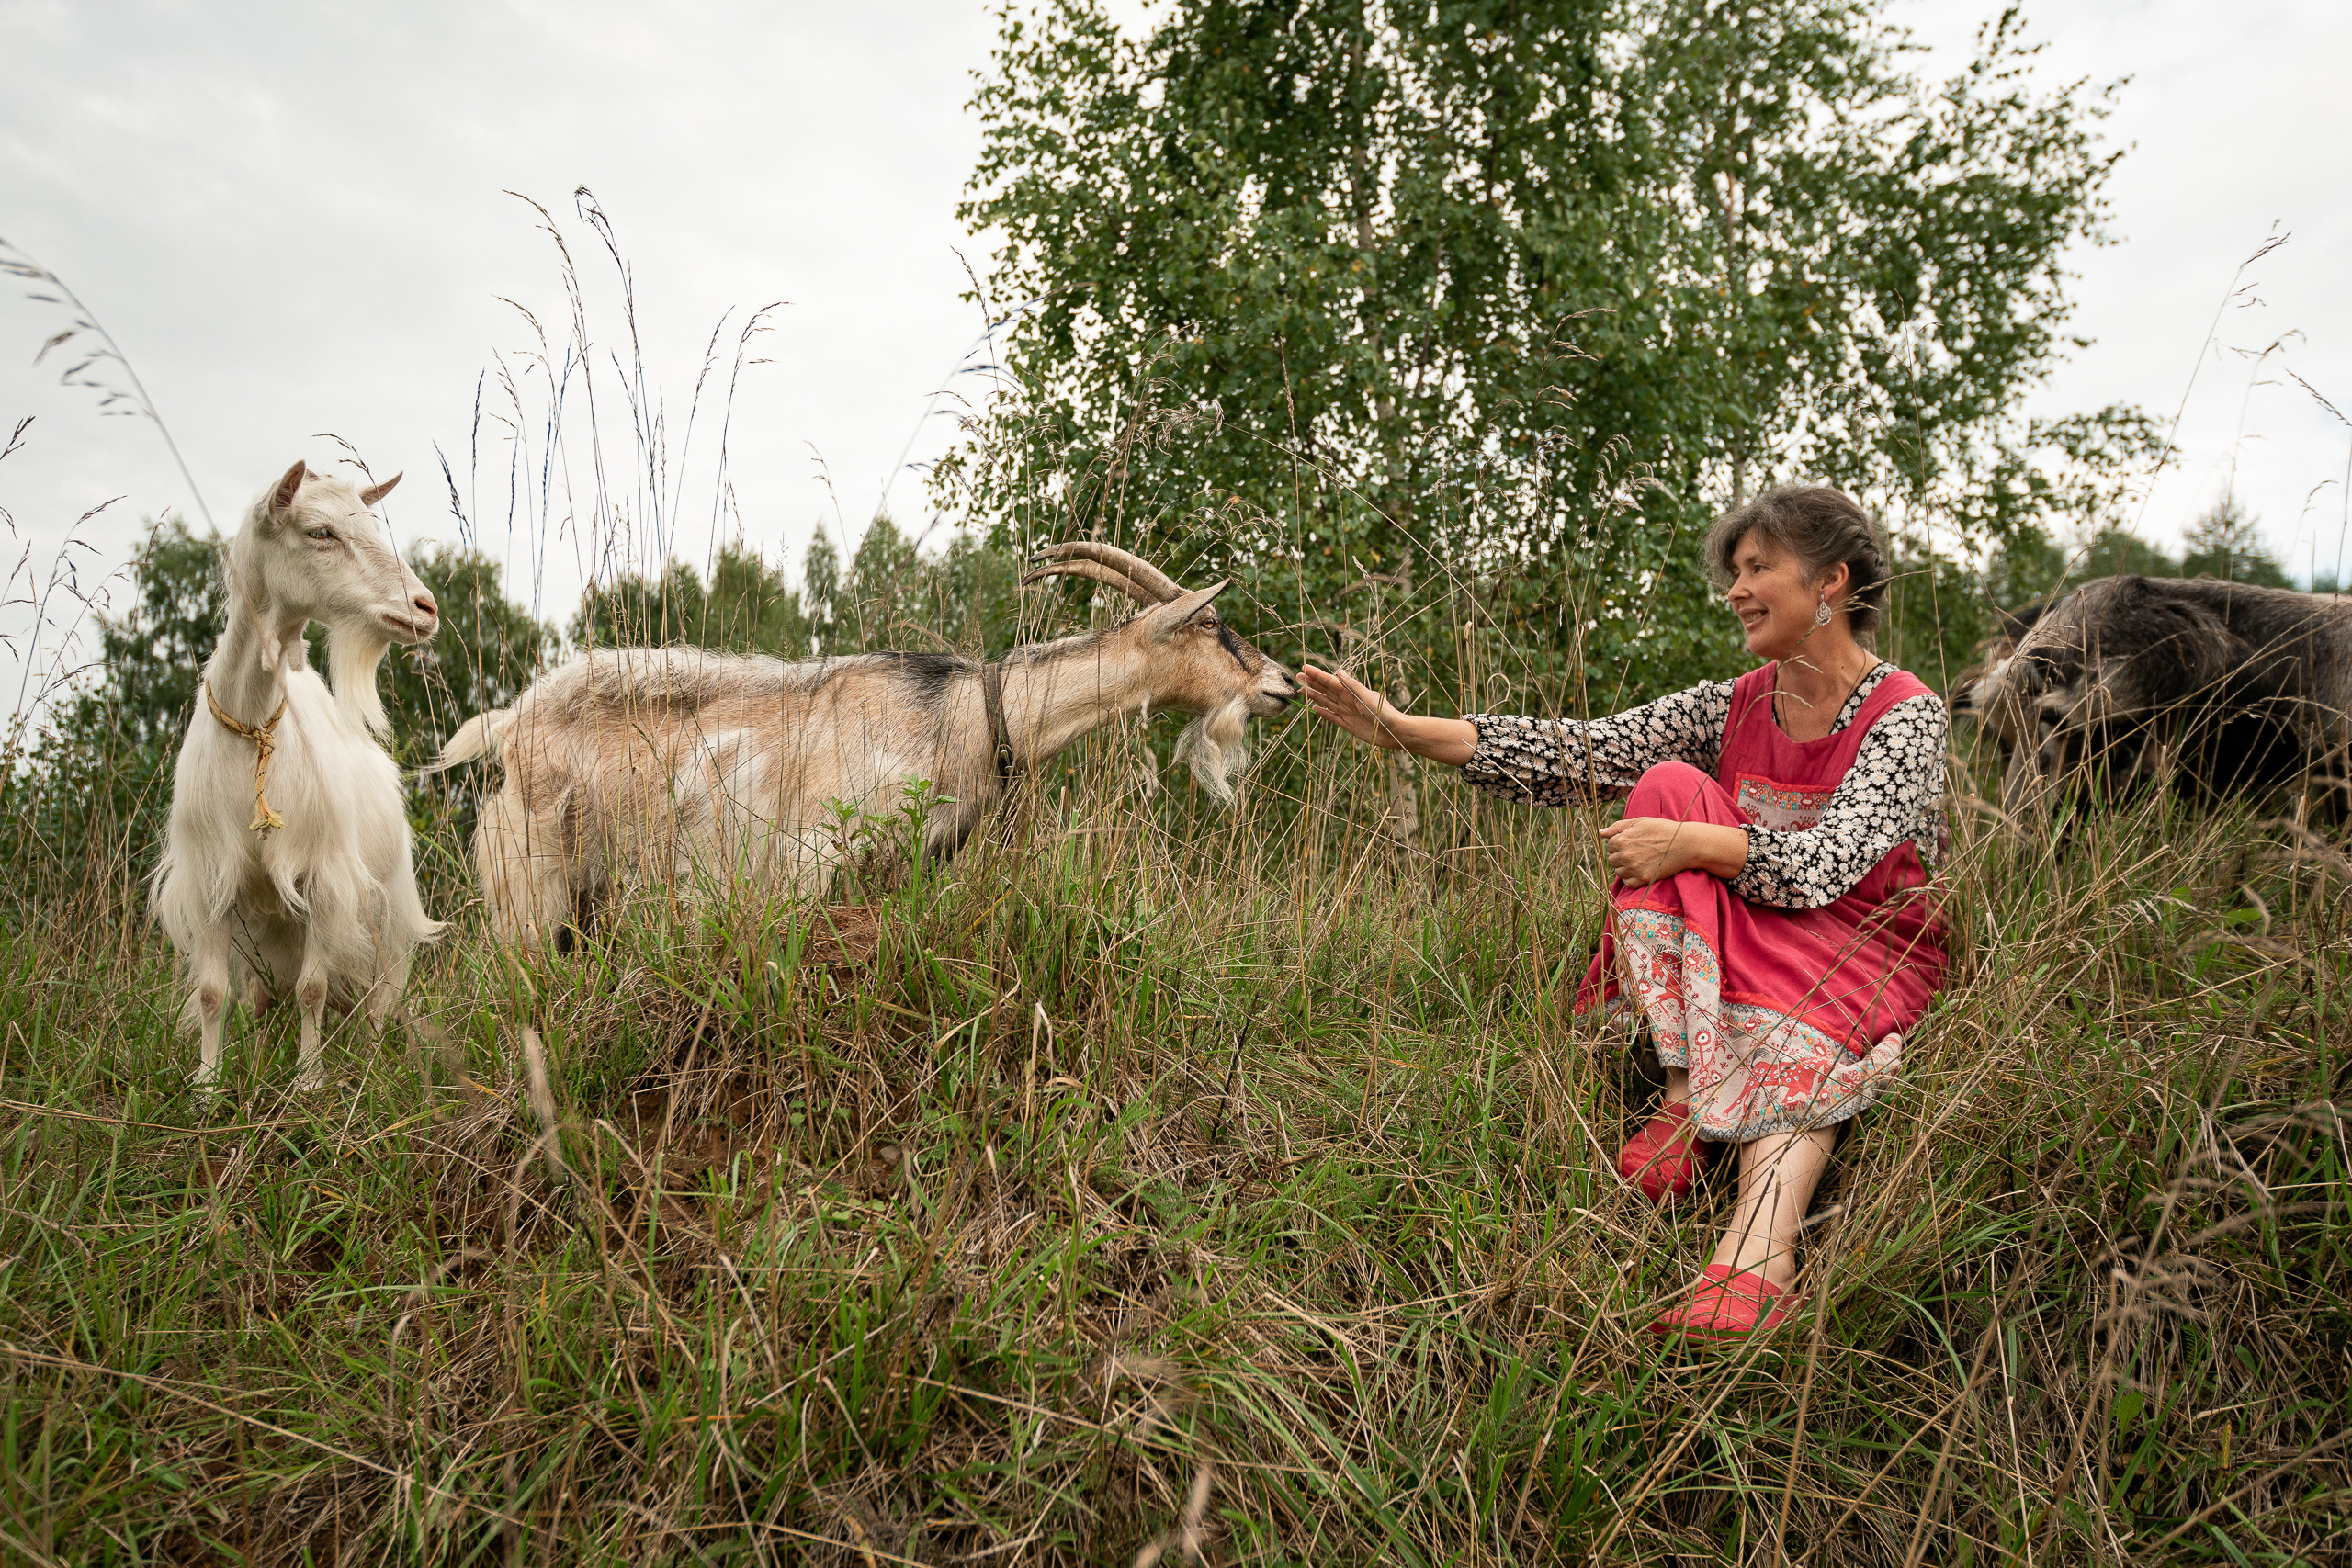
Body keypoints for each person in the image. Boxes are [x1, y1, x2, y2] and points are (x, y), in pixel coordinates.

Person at [1299, 487, 1949, 1339]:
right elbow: (1579, 751)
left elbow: (1827, 869)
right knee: (1664, 783)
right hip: (1756, 920)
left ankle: (1758, 1256)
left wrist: (1695, 844)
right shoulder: (1734, 701)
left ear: (1830, 581)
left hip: (1859, 938)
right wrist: (1400, 730)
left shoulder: (1907, 714)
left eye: (1759, 569)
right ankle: (1685, 1096)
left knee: (1782, 992)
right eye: (1735, 570)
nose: (1737, 589)